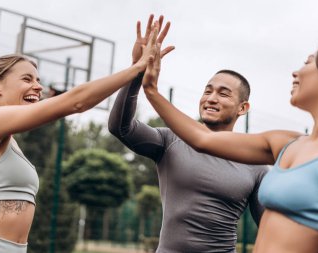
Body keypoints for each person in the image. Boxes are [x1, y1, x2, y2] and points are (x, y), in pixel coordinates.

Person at [0, 20, 160, 253]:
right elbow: (76, 102)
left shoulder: (8, 140)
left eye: (38, 80)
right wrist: (136, 67)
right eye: (27, 79)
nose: (38, 86)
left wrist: (135, 68)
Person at [142, 38, 318, 253]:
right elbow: (202, 139)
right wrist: (151, 90)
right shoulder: (286, 143)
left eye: (308, 62)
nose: (295, 73)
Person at [108, 15, 268, 253]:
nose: (211, 98)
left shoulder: (255, 163)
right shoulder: (170, 140)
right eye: (208, 91)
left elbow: (269, 229)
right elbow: (121, 127)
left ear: (243, 108)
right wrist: (137, 71)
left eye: (223, 94)